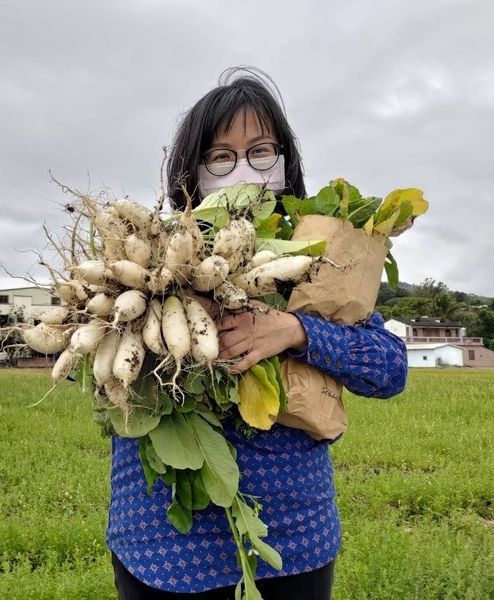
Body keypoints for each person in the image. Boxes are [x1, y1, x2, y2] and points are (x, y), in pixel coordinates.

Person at [106, 67, 408, 599]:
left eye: (261, 151)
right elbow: (101, 366)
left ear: (286, 162)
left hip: (292, 540)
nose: (243, 170)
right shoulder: (150, 254)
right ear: (191, 172)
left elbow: (391, 371)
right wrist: (168, 304)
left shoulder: (321, 260)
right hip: (162, 547)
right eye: (221, 156)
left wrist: (295, 330)